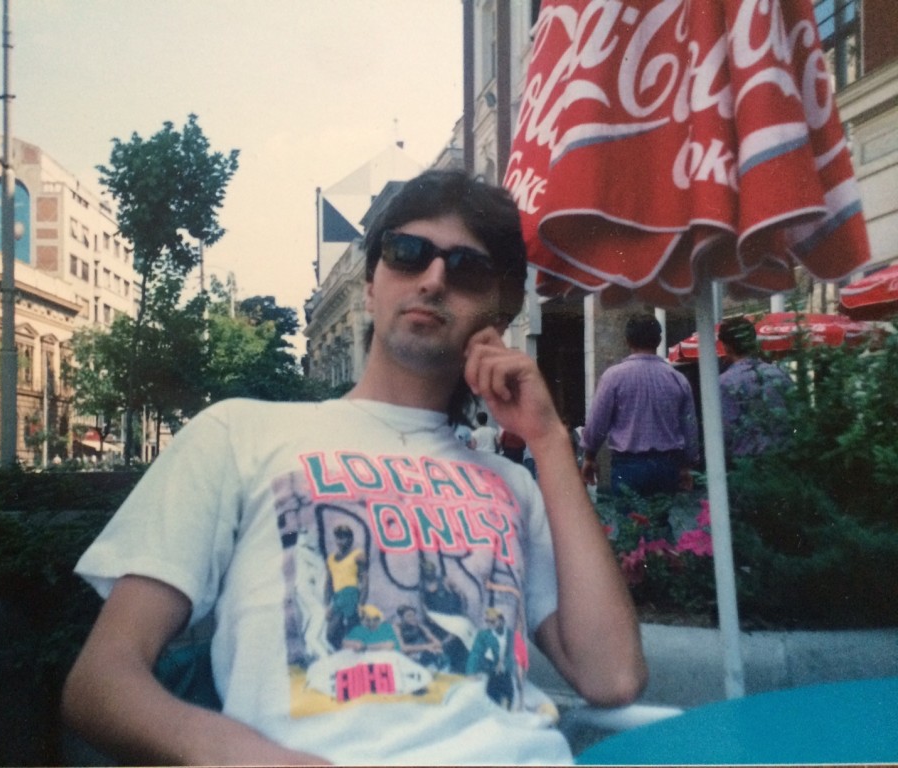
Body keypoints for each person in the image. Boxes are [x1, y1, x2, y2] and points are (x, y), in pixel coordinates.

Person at [62, 169, 647, 765]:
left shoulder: (514, 484)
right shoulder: (239, 433)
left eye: (466, 268)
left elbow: (613, 677)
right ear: (372, 287)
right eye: (407, 254)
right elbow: (102, 680)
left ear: (503, 308)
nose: (434, 278)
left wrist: (547, 438)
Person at [580, 313, 700, 500]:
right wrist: (687, 465)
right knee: (661, 522)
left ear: (627, 340)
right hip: (666, 465)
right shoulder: (677, 378)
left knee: (630, 523)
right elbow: (689, 427)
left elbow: (597, 423)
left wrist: (589, 456)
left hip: (629, 465)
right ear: (659, 340)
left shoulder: (613, 377)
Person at [717, 316, 794, 461]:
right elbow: (795, 417)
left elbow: (726, 432)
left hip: (747, 466)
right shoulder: (780, 374)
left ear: (727, 347)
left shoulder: (725, 383)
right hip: (785, 461)